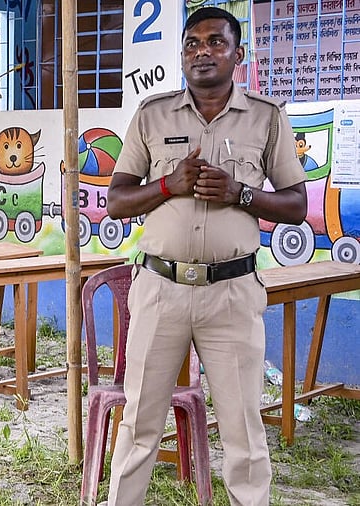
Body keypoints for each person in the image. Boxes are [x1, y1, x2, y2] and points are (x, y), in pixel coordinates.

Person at [105, 7, 307, 506]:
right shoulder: (153, 115)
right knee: (139, 423)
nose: (202, 51)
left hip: (232, 295)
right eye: (192, 43)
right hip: (159, 292)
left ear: (237, 54)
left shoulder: (266, 117)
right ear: (182, 55)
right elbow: (116, 200)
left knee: (243, 430)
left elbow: (297, 206)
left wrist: (239, 193)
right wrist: (170, 184)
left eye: (216, 42)